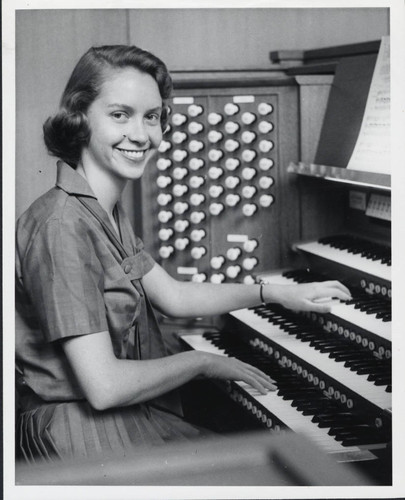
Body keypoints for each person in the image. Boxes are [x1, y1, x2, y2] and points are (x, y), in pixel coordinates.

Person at [15, 45, 352, 464]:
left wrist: (275, 294)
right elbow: (104, 387)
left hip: (114, 420)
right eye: (120, 115)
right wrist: (201, 362)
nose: (141, 135)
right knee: (276, 469)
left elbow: (173, 296)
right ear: (80, 117)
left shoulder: (100, 211)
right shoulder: (62, 223)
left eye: (152, 116)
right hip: (76, 435)